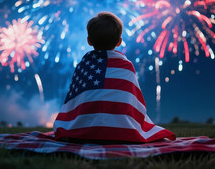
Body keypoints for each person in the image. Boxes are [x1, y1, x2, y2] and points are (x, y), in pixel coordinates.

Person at [53, 12, 175, 144]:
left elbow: (73, 103)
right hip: (122, 133)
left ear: (89, 41)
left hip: (81, 133)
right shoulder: (126, 66)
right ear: (119, 42)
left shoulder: (82, 66)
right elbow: (134, 104)